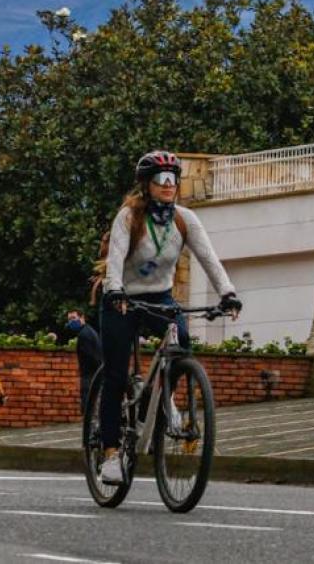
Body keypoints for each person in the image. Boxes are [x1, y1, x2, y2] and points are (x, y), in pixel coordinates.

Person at [97, 150, 242, 485]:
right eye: (161, 179)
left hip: (159, 298)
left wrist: (228, 293)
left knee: (182, 342)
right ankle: (110, 454)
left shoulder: (185, 219)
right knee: (115, 375)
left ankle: (157, 400)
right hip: (122, 298)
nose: (168, 185)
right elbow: (115, 260)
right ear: (147, 185)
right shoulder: (129, 217)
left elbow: (208, 258)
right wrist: (115, 290)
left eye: (173, 179)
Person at [65, 308, 102, 413]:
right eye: (69, 319)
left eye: (74, 318)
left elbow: (92, 357)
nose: (71, 321)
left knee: (88, 406)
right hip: (93, 374)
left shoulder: (84, 335)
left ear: (82, 317)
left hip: (90, 375)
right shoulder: (88, 331)